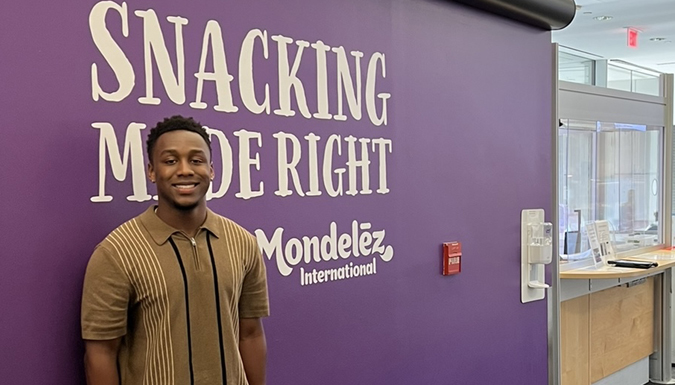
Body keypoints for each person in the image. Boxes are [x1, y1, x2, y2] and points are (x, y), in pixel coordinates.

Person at [81, 115, 269, 385]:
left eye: (196, 160)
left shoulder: (243, 243)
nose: (184, 170)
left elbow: (250, 334)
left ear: (212, 169)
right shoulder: (116, 252)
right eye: (170, 161)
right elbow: (100, 354)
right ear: (151, 171)